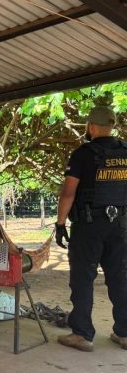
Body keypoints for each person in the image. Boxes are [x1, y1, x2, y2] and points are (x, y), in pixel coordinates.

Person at [55, 105, 127, 352]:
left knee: (83, 278)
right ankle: (125, 333)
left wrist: (60, 223)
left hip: (88, 225)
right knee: (121, 276)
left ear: (92, 126)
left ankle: (82, 334)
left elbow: (68, 193)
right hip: (121, 225)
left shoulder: (83, 154)